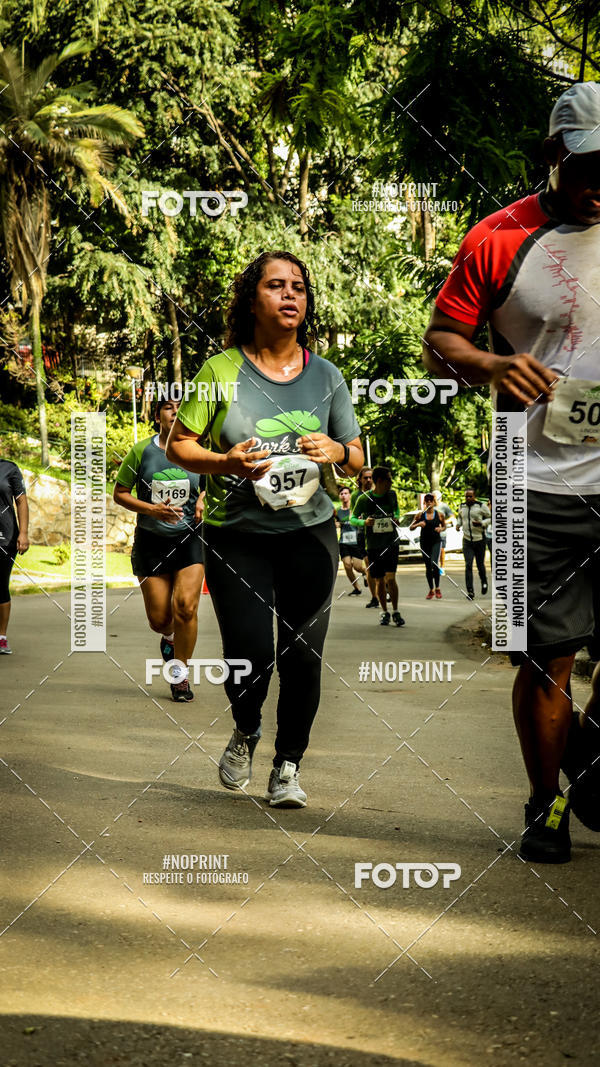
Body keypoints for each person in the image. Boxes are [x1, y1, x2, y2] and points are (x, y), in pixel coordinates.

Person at [423, 81, 600, 863]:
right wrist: (492, 364)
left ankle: (588, 750)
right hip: (534, 479)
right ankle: (545, 801)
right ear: (555, 154)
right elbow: (442, 338)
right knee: (544, 656)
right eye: (590, 166)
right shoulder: (498, 238)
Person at [166, 250, 363, 808]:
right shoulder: (220, 371)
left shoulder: (326, 375)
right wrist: (225, 462)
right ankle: (247, 728)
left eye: (298, 286)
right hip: (237, 535)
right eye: (276, 285)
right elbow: (179, 446)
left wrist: (336, 452)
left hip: (310, 533)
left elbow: (356, 456)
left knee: (303, 655)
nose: (290, 294)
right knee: (250, 652)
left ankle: (287, 764)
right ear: (251, 300)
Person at [114, 398, 205, 702]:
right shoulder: (142, 451)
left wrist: (204, 497)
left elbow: (215, 482)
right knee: (160, 619)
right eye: (168, 407)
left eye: (181, 406)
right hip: (151, 541)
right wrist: (151, 510)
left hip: (190, 538)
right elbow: (120, 493)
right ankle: (170, 637)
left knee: (186, 607)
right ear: (157, 416)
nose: (175, 412)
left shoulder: (199, 449)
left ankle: (180, 676)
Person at [350, 466, 405, 627]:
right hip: (374, 546)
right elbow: (353, 518)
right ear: (380, 481)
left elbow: (396, 510)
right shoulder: (364, 499)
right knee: (380, 581)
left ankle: (396, 611)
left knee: (391, 579)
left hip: (391, 543)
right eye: (389, 480)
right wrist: (364, 522)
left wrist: (396, 518)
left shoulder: (392, 495)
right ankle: (384, 611)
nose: (391, 483)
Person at [0, 454, 29, 653]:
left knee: (0, 585)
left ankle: (1, 637)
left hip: (5, 537)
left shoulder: (10, 469)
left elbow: (22, 502)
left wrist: (23, 533)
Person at [455, 489, 490, 600]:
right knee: (468, 565)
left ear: (474, 496)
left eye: (470, 496)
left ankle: (484, 582)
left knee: (480, 565)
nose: (468, 498)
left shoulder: (481, 506)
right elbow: (460, 517)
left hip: (479, 540)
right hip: (467, 541)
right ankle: (470, 591)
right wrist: (458, 525)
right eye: (466, 496)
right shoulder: (462, 506)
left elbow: (491, 517)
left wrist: (482, 523)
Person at [351, 467, 378, 606]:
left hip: (380, 533)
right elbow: (353, 518)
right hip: (363, 533)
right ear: (360, 480)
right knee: (369, 565)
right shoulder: (356, 496)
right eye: (365, 478)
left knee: (381, 565)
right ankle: (374, 597)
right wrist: (363, 521)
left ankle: (384, 588)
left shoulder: (380, 493)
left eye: (370, 477)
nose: (368, 480)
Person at [410, 492, 445, 599]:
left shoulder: (439, 515)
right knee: (428, 566)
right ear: (424, 502)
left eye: (431, 500)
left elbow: (444, 526)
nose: (429, 502)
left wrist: (440, 529)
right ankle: (431, 590)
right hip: (424, 542)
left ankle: (437, 588)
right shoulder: (420, 515)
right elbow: (411, 527)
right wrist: (418, 524)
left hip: (436, 541)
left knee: (434, 563)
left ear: (434, 502)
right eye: (427, 501)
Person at [335, 485, 366, 595]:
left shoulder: (355, 509)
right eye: (341, 494)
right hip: (343, 542)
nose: (343, 496)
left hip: (356, 541)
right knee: (347, 566)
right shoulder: (337, 511)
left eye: (346, 493)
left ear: (350, 495)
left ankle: (366, 573)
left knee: (357, 567)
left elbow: (363, 522)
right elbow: (335, 523)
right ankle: (357, 588)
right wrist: (336, 524)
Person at [434, 491, 454, 573]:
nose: (433, 499)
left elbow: (452, 517)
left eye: (434, 497)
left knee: (441, 549)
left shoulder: (444, 506)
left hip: (442, 532)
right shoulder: (430, 507)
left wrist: (444, 522)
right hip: (432, 533)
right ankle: (435, 567)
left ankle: (442, 567)